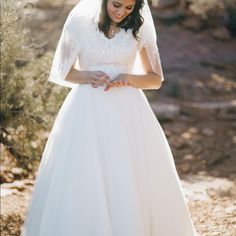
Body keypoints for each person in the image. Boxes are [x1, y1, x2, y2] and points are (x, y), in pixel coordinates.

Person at [21, 0, 198, 235]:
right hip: (86, 109)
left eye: (128, 8)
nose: (121, 12)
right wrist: (87, 75)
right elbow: (63, 71)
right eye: (116, 4)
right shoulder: (79, 22)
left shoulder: (139, 28)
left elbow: (155, 79)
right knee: (84, 171)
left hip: (128, 110)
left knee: (127, 170)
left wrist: (129, 77)